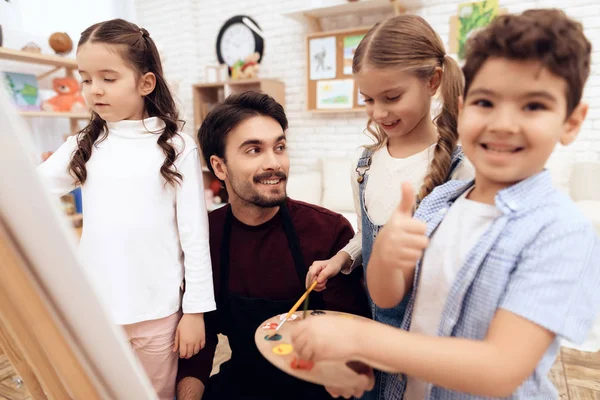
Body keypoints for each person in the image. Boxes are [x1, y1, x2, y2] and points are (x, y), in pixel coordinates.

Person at [291, 8, 600, 400]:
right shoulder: (440, 200)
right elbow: (387, 297)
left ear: (572, 121)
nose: (502, 123)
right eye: (485, 102)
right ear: (463, 103)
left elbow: (501, 369)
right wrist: (384, 253)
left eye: (533, 106)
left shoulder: (563, 233)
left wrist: (358, 340)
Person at [37, 19, 215, 400]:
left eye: (108, 78)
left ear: (145, 83)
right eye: (85, 79)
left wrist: (195, 311)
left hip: (159, 312)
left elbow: (195, 236)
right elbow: (31, 190)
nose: (93, 90)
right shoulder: (83, 144)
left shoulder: (177, 147)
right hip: (98, 308)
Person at [304, 14, 473, 399]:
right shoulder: (364, 165)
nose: (379, 112)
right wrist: (342, 259)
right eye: (368, 99)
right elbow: (371, 233)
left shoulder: (462, 166)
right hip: (374, 337)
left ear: (432, 81)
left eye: (392, 97)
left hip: (430, 349)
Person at [176, 91, 373, 400]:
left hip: (317, 387)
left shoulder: (328, 231)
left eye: (279, 147)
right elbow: (203, 336)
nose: (274, 163)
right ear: (219, 167)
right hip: (243, 379)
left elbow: (353, 339)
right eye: (254, 150)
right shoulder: (205, 237)